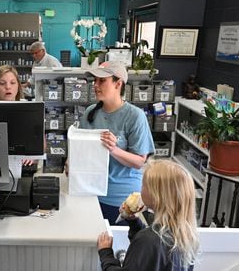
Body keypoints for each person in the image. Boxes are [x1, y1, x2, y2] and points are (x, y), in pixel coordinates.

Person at [78, 61, 155, 225]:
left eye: (101, 81)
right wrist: (72, 162)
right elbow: (83, 151)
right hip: (91, 192)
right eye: (95, 80)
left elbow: (139, 161)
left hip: (123, 200)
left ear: (118, 83)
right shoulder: (90, 112)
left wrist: (113, 149)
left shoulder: (135, 116)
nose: (95, 85)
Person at [97, 159, 200, 270]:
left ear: (157, 196)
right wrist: (134, 222)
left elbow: (147, 246)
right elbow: (149, 257)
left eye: (144, 185)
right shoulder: (186, 236)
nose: (140, 189)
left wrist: (106, 253)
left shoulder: (147, 240)